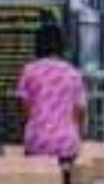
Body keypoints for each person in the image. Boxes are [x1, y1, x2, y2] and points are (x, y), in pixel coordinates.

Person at [17, 19, 85, 178]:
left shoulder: (29, 71)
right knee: (65, 177)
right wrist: (75, 134)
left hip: (37, 141)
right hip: (66, 142)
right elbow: (79, 111)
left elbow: (25, 110)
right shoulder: (73, 73)